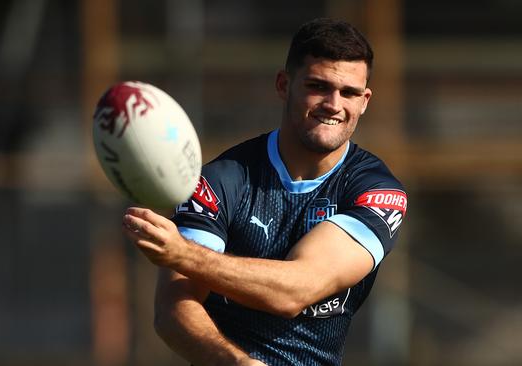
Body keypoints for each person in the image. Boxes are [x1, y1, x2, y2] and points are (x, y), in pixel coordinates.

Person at [123, 18, 408, 366]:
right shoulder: (219, 182)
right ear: (283, 85)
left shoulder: (377, 191)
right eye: (318, 86)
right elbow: (173, 308)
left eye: (348, 93)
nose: (334, 104)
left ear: (364, 101)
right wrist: (236, 363)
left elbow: (298, 290)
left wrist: (183, 254)